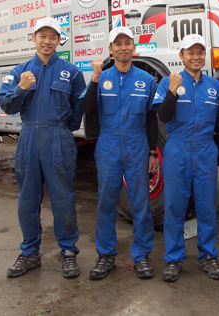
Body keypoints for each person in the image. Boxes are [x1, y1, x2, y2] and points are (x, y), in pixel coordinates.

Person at [0, 17, 86, 279]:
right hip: (29, 138)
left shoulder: (71, 72)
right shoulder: (20, 72)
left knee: (63, 198)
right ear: (34, 38)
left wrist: (62, 130)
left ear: (59, 40)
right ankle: (29, 253)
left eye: (52, 37)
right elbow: (6, 105)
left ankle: (68, 252)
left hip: (58, 138)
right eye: (42, 36)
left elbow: (78, 107)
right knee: (28, 199)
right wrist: (20, 88)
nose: (47, 41)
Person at [82, 26, 158, 280]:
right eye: (118, 44)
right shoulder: (101, 78)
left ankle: (142, 256)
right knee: (106, 202)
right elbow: (88, 108)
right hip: (109, 146)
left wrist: (152, 153)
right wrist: (94, 78)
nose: (123, 48)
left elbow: (151, 118)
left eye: (128, 43)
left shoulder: (146, 80)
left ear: (134, 47)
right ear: (111, 49)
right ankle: (105, 255)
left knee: (141, 203)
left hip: (137, 147)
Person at [153, 34, 219, 283]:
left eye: (200, 52)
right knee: (175, 207)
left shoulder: (214, 85)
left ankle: (208, 255)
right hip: (177, 150)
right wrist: (173, 90)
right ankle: (174, 259)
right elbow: (163, 115)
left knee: (206, 207)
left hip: (205, 150)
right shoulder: (168, 82)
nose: (196, 57)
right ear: (181, 56)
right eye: (190, 52)